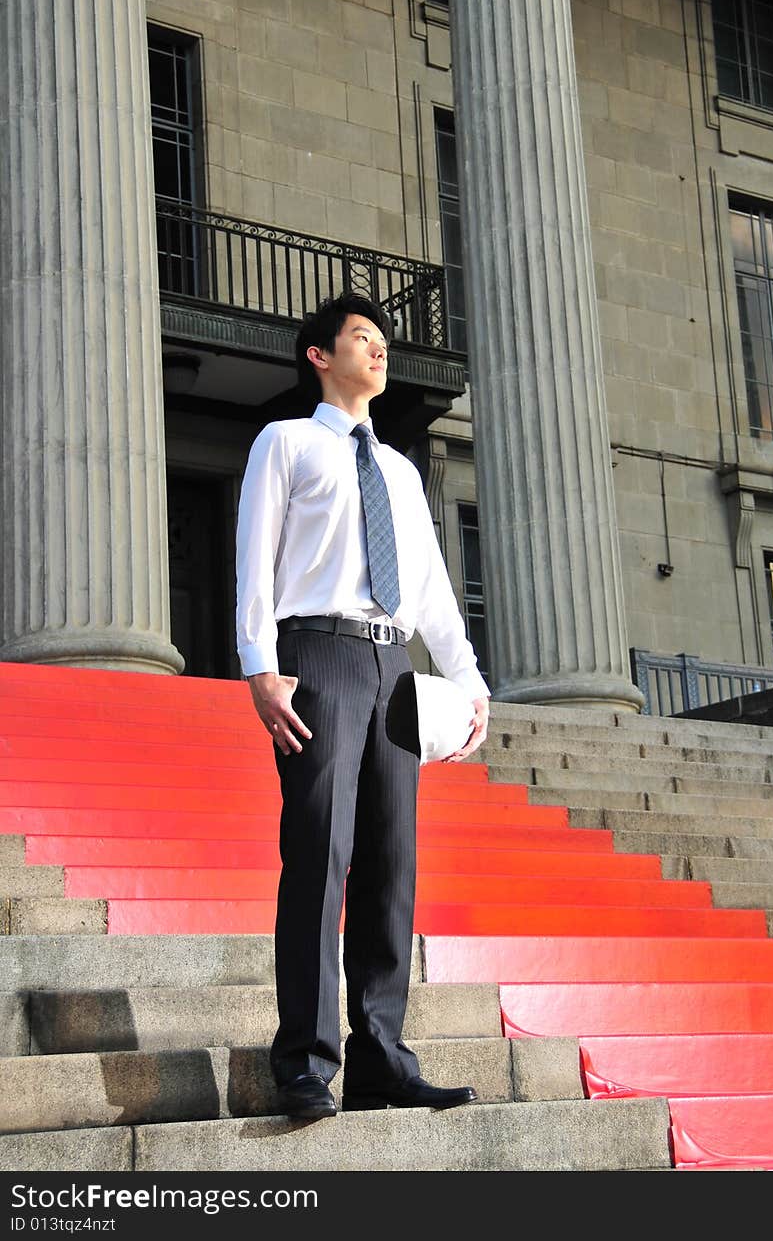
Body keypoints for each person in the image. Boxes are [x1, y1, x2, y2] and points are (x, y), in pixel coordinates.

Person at [235, 290, 491, 1122]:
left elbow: (432, 590)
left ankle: (381, 1058)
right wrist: (260, 667)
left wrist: (470, 679)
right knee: (320, 854)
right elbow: (256, 558)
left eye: (382, 340)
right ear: (319, 354)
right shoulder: (286, 443)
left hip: (392, 667)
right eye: (360, 337)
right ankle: (305, 1063)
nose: (378, 350)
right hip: (317, 654)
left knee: (391, 865)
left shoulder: (404, 471)